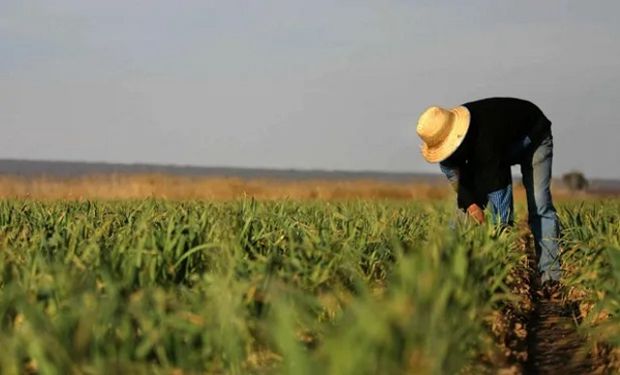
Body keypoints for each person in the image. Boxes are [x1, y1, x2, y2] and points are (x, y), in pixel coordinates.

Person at [415, 97, 561, 293]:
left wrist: (499, 238)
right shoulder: (445, 153)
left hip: (532, 136)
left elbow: (500, 191)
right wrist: (473, 207)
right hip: (497, 149)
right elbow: (460, 185)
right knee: (461, 216)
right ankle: (451, 275)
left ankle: (550, 278)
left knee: (539, 204)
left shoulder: (484, 139)